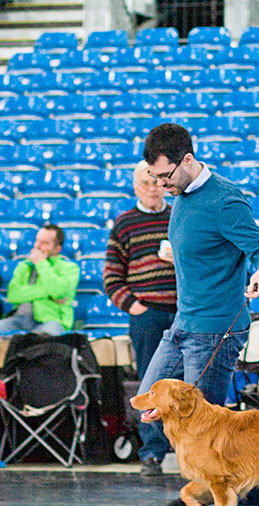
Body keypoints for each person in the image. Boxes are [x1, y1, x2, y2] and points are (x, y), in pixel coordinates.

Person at [138, 123, 259, 506]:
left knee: (206, 425)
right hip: (184, 322)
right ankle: (232, 490)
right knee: (147, 402)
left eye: (165, 175)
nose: (162, 185)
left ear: (187, 160)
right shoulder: (181, 194)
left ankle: (225, 494)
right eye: (154, 177)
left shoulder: (225, 201)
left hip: (218, 329)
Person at [103, 161, 178, 394]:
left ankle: (183, 432)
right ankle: (151, 432)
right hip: (147, 315)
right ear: (136, 188)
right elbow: (111, 275)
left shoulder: (180, 215)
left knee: (183, 382)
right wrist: (134, 307)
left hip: (183, 311)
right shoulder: (124, 223)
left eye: (157, 182)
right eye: (146, 183)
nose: (153, 188)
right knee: (151, 383)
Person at [0, 224, 78, 337]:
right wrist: (48, 293)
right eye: (37, 241)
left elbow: (58, 291)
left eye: (44, 243)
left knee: (42, 341)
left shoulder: (69, 268)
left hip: (50, 320)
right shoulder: (24, 266)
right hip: (18, 320)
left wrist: (41, 263)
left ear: (57, 248)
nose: (38, 246)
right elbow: (13, 295)